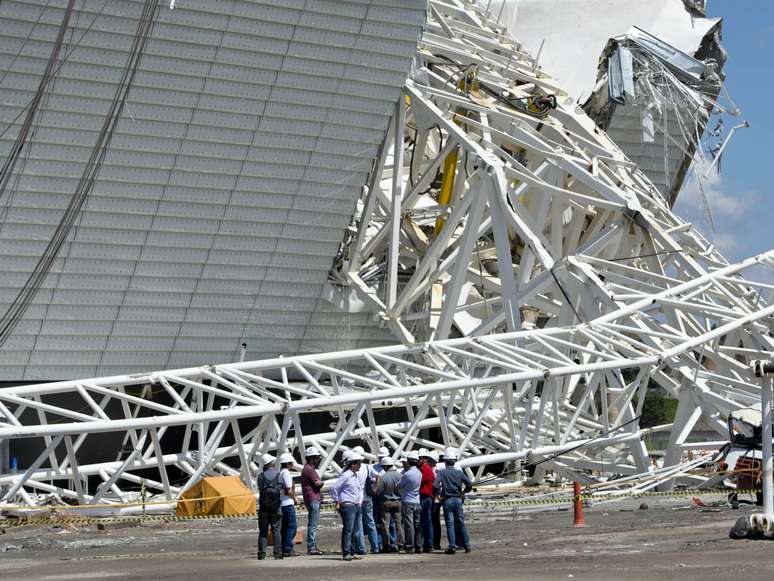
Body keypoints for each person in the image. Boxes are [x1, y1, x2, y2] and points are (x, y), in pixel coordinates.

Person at [433, 447, 473, 554]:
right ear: (454, 461)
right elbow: (469, 484)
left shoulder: (442, 473)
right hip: (458, 500)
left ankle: (452, 547)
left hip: (447, 500)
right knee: (461, 523)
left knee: (450, 524)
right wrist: (464, 492)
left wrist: (438, 495)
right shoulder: (459, 473)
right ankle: (467, 545)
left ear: (445, 461)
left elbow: (435, 484)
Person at [331, 450, 365, 561]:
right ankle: (346, 552)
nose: (360, 465)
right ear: (353, 464)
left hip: (356, 504)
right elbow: (335, 488)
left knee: (355, 530)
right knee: (348, 529)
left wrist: (360, 502)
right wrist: (337, 501)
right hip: (348, 505)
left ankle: (352, 551)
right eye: (358, 463)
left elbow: (360, 489)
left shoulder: (356, 476)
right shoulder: (345, 476)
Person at [353, 445, 380, 554]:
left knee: (359, 524)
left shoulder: (352, 467)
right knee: (370, 522)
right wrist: (376, 489)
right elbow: (378, 476)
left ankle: (361, 548)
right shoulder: (367, 467)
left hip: (356, 499)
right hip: (368, 498)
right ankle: (375, 546)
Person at [374, 455, 403, 552]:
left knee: (385, 524)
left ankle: (386, 545)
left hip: (386, 502)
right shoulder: (400, 476)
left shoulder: (384, 477)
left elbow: (379, 491)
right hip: (398, 501)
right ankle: (400, 544)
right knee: (398, 524)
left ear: (385, 466)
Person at [257, 454, 283, 560]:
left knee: (263, 531)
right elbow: (281, 489)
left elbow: (260, 489)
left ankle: (262, 553)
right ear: (272, 463)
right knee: (276, 530)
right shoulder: (279, 476)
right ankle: (277, 553)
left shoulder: (261, 476)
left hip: (263, 507)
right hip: (276, 507)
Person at [300, 446, 324, 555]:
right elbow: (318, 483)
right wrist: (322, 482)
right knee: (313, 524)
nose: (319, 460)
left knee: (313, 524)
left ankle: (312, 546)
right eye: (318, 458)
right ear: (311, 458)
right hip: (313, 499)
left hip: (312, 499)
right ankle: (311, 547)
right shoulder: (309, 469)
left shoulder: (308, 469)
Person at [398, 450, 422, 553]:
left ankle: (410, 546)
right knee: (417, 524)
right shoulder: (419, 473)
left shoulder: (407, 474)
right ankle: (419, 545)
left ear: (408, 461)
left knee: (409, 525)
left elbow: (399, 486)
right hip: (417, 501)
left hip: (407, 500)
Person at [278, 451, 299, 557]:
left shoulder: (280, 472)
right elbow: (289, 490)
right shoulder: (286, 473)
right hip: (288, 504)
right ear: (287, 463)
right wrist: (295, 499)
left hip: (282, 504)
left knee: (285, 528)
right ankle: (287, 548)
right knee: (292, 527)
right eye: (291, 462)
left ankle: (283, 547)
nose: (292, 464)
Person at [419, 450, 436, 552]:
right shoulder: (428, 469)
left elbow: (419, 481)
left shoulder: (425, 469)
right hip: (427, 497)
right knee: (427, 522)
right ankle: (428, 544)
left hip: (424, 497)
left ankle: (426, 545)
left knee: (423, 522)